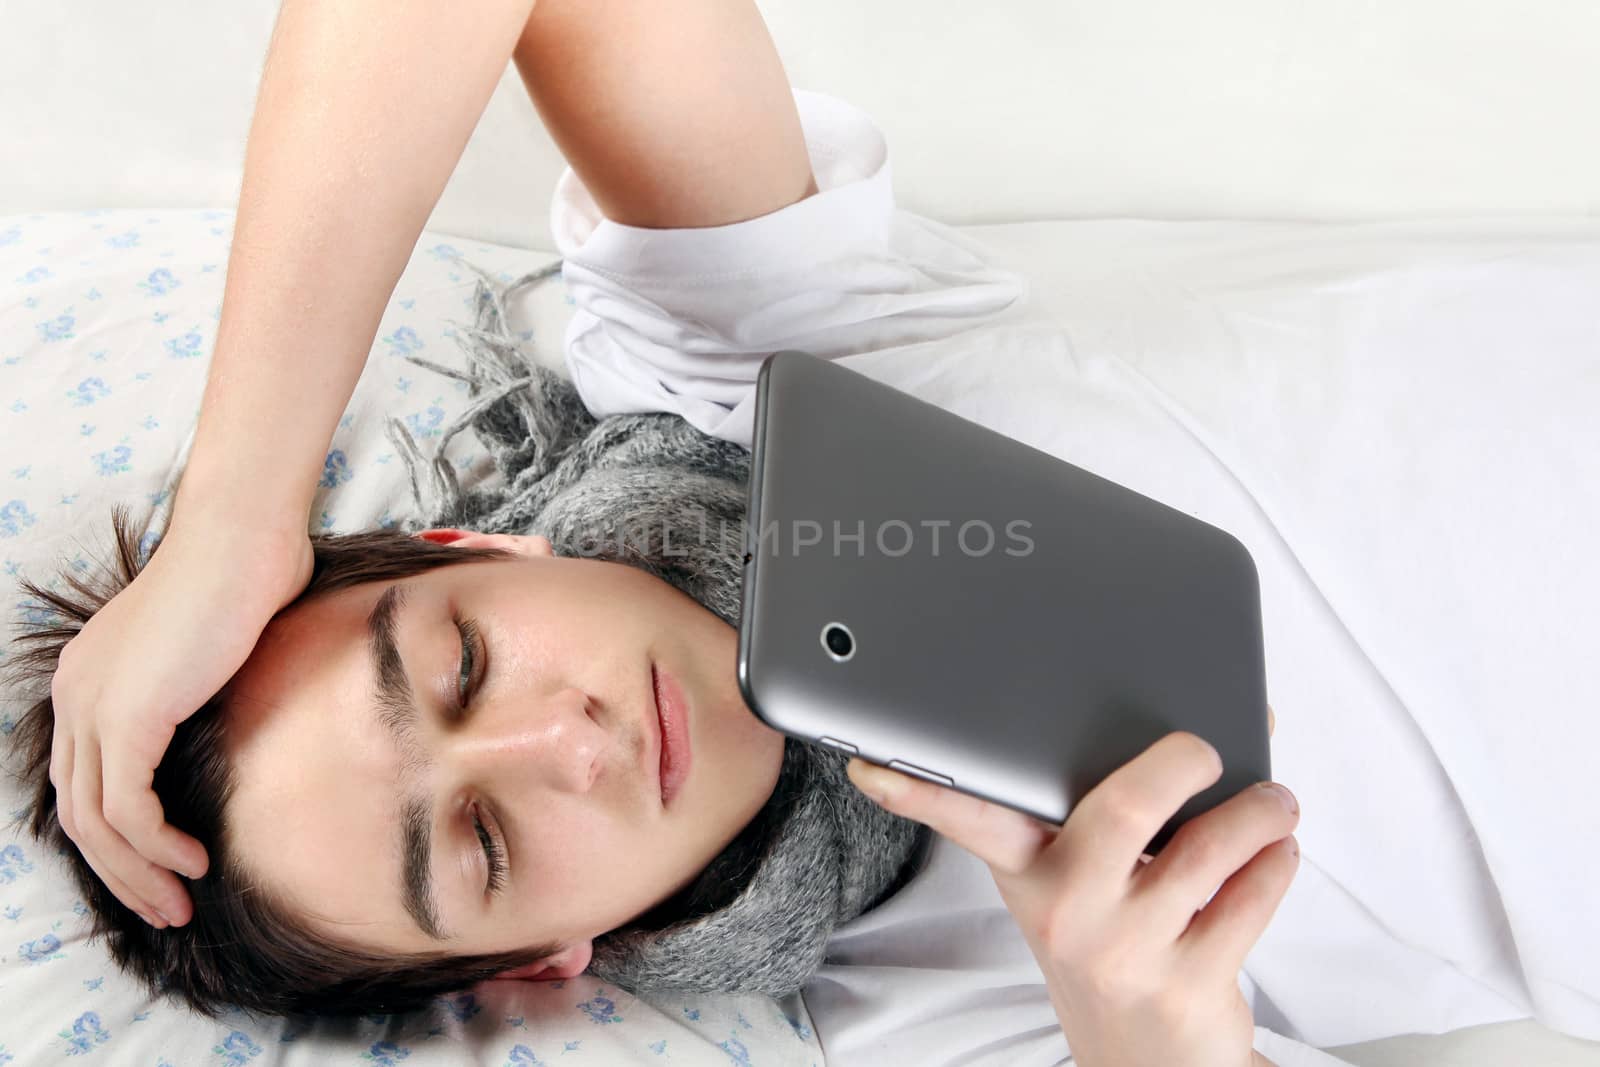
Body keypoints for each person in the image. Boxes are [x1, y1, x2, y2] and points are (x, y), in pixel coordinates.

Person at [10, 1, 1307, 1063]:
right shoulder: (968, 1012)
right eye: (482, 842)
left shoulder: (752, 380)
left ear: (483, 549)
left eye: (464, 665)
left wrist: (235, 517)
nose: (568, 741)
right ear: (543, 962)